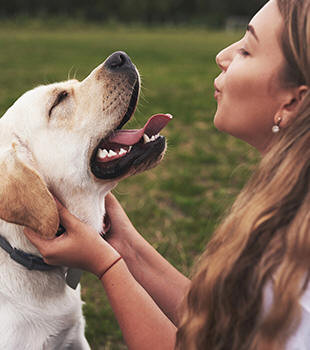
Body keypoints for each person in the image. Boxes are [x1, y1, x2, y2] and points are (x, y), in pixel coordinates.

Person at [24, 0, 310, 349]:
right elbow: (231, 328)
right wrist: (126, 247)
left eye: (247, 50)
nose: (222, 55)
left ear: (293, 102)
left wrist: (108, 266)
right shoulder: (290, 205)